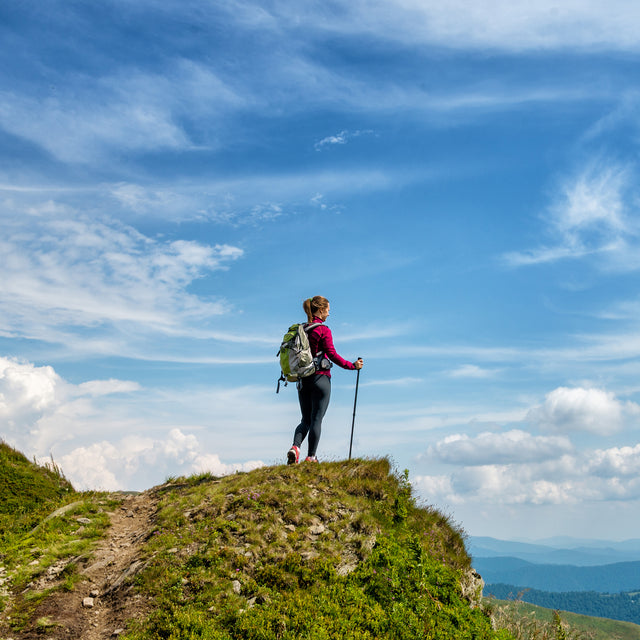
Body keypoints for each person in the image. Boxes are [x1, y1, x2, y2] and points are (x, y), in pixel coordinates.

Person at [287, 296, 364, 464]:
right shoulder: (323, 330)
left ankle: (295, 447)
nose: (329, 313)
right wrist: (352, 366)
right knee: (316, 419)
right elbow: (332, 355)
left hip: (303, 381)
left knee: (305, 420)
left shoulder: (302, 330)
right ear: (320, 310)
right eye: (328, 310)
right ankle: (311, 457)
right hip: (321, 379)